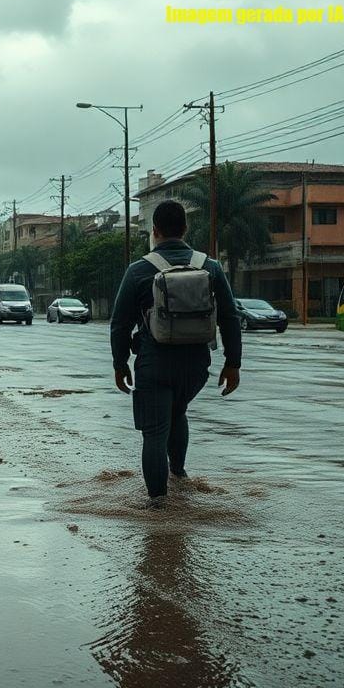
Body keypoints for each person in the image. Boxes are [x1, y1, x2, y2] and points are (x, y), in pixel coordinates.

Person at [109, 200, 242, 507]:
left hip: (154, 366)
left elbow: (119, 324)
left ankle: (158, 505)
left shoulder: (138, 270)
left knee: (154, 432)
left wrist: (120, 364)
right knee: (177, 411)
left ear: (154, 232)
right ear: (185, 228)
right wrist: (233, 363)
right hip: (196, 367)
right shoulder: (210, 267)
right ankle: (179, 476)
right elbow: (230, 317)